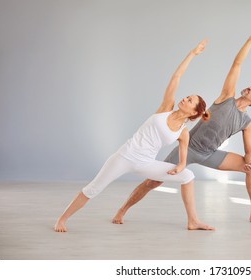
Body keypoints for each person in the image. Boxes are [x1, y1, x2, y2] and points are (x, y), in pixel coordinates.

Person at [112, 20, 251, 226]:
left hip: (210, 154)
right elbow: (237, 64)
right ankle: (122, 209)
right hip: (189, 147)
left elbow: (249, 149)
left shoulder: (247, 121)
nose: (250, 88)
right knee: (153, 181)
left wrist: (250, 160)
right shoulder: (227, 97)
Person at [54, 39, 215, 232]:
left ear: (193, 112)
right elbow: (176, 77)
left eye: (190, 100)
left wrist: (179, 168)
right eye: (187, 96)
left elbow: (182, 161)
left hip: (146, 163)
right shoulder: (166, 108)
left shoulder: (183, 132)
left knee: (188, 175)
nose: (185, 98)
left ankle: (193, 221)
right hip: (124, 157)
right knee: (93, 189)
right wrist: (192, 53)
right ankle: (62, 220)